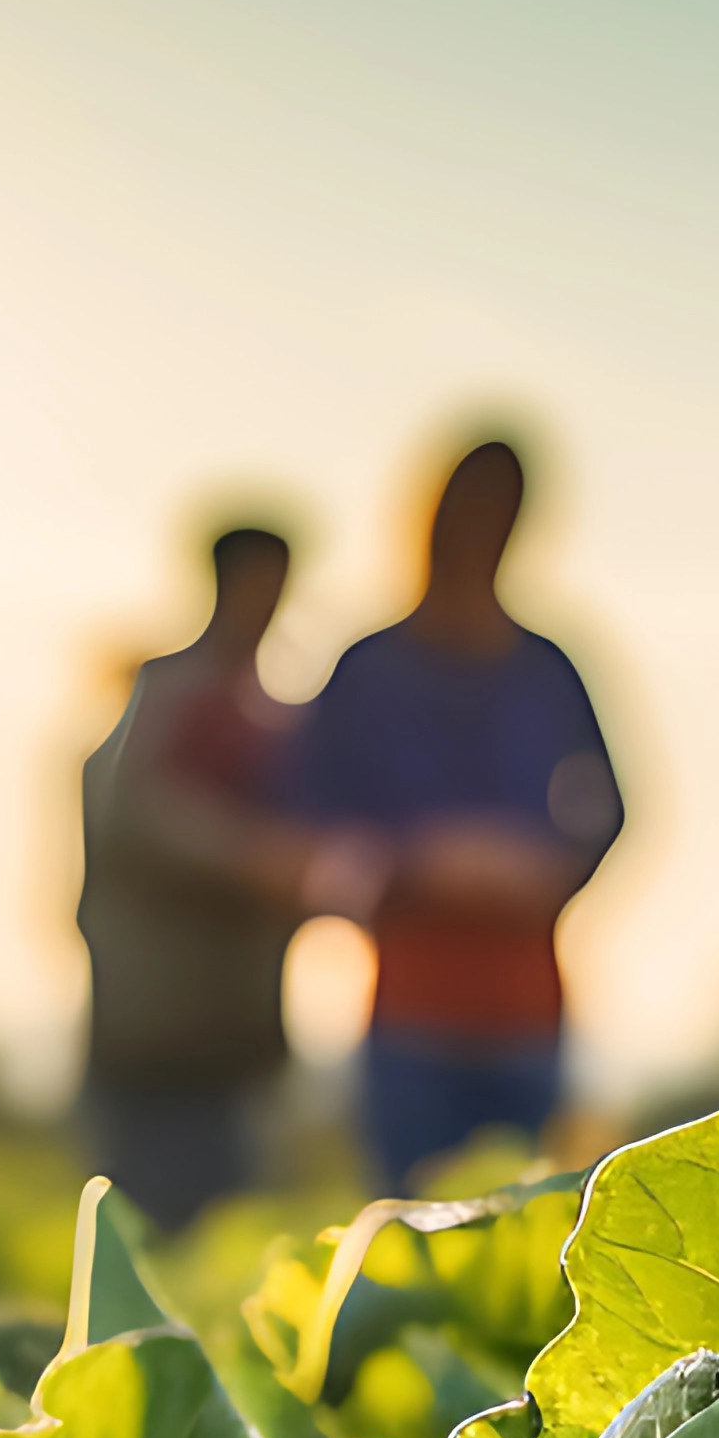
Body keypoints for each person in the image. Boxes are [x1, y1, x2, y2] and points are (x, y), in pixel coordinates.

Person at [282, 438, 624, 1189]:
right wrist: (417, 864)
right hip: (411, 1006)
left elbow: (608, 812)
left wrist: (545, 873)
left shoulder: (548, 671)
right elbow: (311, 824)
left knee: (523, 1227)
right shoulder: (367, 671)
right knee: (410, 1233)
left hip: (526, 1008)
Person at [68, 524, 302, 1231]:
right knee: (146, 1238)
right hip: (153, 1030)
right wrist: (249, 857)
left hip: (236, 1034)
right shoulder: (167, 692)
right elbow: (132, 813)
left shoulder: (273, 713)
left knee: (229, 1242)